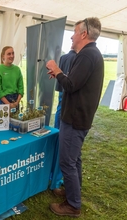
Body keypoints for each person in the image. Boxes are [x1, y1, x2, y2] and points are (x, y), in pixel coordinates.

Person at [46, 17, 104, 217]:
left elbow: (70, 85)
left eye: (74, 31)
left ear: (84, 34)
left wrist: (57, 69)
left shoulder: (87, 55)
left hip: (75, 118)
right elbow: (74, 82)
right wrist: (60, 75)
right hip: (80, 117)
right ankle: (74, 193)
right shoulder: (90, 54)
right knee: (75, 159)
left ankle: (73, 204)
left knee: (67, 162)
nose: (72, 35)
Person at [54, 49, 76, 129]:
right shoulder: (76, 58)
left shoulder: (63, 57)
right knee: (65, 109)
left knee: (59, 107)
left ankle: (56, 127)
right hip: (69, 87)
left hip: (61, 86)